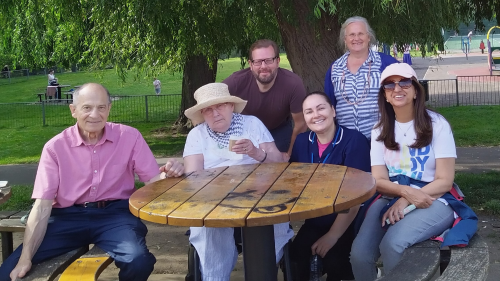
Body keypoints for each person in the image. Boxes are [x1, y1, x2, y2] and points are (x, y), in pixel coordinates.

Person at [0, 83, 184, 281]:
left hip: (115, 216)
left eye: (101, 107)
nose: (95, 114)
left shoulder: (129, 137)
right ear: (74, 110)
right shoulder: (55, 147)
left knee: (138, 261)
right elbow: (42, 206)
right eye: (87, 107)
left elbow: (153, 182)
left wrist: (171, 173)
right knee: (9, 272)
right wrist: (25, 258)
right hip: (67, 218)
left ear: (109, 109)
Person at [350, 63, 477, 281]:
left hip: (435, 198)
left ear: (416, 90)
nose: (397, 89)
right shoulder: (379, 130)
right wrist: (404, 193)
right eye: (390, 85)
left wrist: (407, 199)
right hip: (390, 195)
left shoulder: (437, 124)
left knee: (393, 244)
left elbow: (445, 181)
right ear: (385, 96)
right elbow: (378, 180)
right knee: (359, 255)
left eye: (405, 82)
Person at [183, 82, 294, 281]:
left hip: (259, 195)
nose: (215, 113)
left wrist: (256, 152)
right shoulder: (196, 135)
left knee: (274, 221)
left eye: (220, 106)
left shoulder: (252, 124)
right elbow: (193, 177)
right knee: (208, 230)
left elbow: (278, 163)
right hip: (214, 200)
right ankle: (215, 277)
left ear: (231, 106)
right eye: (208, 109)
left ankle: (263, 274)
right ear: (202, 114)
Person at [288, 91, 370, 281]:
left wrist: (333, 235)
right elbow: (294, 182)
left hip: (349, 220)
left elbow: (355, 198)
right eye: (308, 111)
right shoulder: (302, 142)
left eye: (321, 108)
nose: (315, 115)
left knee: (336, 262)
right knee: (295, 258)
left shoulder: (354, 141)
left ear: (333, 111)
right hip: (316, 219)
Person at [223, 39, 307, 157]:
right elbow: (212, 100)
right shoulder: (235, 82)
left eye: (268, 61)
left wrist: (289, 154)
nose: (263, 66)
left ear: (278, 61)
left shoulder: (293, 84)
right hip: (244, 131)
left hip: (278, 129)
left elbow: (301, 123)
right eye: (257, 62)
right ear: (251, 64)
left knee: (280, 168)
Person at [324, 16, 398, 140]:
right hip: (346, 142)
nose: (356, 38)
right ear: (345, 39)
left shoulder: (386, 63)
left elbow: (402, 94)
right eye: (351, 34)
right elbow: (330, 104)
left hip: (382, 139)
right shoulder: (335, 68)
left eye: (360, 34)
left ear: (368, 37)